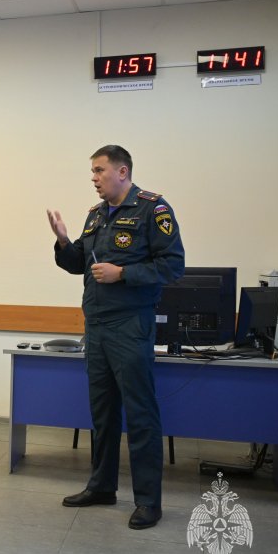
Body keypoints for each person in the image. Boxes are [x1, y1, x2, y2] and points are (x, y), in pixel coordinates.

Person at [47, 144, 184, 530]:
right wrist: (63, 241)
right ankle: (102, 486)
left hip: (131, 326)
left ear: (122, 172)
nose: (93, 178)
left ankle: (148, 501)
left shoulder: (153, 209)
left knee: (140, 415)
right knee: (103, 413)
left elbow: (173, 266)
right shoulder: (96, 215)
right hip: (97, 327)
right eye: (92, 171)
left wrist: (123, 274)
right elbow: (80, 263)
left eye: (99, 170)